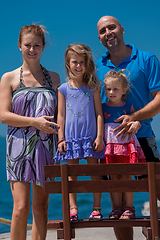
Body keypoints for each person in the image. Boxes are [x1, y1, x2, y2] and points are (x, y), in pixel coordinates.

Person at [96, 15, 160, 240]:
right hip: (112, 146)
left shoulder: (146, 59)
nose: (108, 33)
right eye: (103, 31)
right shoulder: (97, 67)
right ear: (99, 38)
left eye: (111, 27)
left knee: (158, 190)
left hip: (143, 137)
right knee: (119, 205)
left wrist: (135, 117)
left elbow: (159, 99)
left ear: (122, 29)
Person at [0, 24, 60, 240]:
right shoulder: (9, 78)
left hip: (46, 148)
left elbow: (60, 115)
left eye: (36, 45)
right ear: (19, 46)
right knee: (20, 209)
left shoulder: (53, 78)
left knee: (41, 209)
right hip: (18, 149)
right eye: (28, 45)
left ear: (43, 47)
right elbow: (4, 116)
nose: (32, 49)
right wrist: (34, 122)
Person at [54, 43, 104, 222]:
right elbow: (60, 115)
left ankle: (96, 208)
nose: (78, 66)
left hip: (90, 139)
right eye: (74, 62)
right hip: (71, 139)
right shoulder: (63, 89)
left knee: (94, 172)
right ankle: (72, 208)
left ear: (87, 63)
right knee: (71, 174)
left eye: (82, 62)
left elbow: (99, 113)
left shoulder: (94, 87)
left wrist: (99, 136)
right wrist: (61, 138)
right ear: (68, 63)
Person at [102, 69, 146, 220]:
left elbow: (136, 121)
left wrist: (136, 124)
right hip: (111, 148)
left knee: (127, 175)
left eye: (116, 89)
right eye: (108, 89)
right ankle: (117, 207)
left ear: (124, 90)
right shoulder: (102, 107)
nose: (112, 92)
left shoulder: (129, 106)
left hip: (126, 146)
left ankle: (129, 207)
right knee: (113, 176)